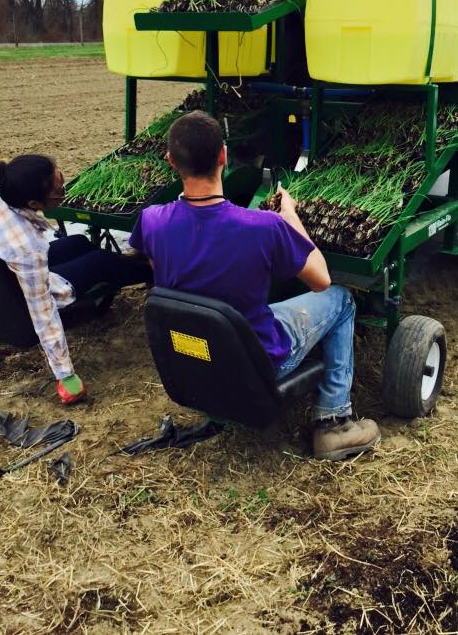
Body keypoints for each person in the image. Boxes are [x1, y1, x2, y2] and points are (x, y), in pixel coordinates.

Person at [129, 111, 380, 461]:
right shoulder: (263, 227)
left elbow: (164, 275)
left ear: (171, 161)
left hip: (192, 357)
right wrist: (290, 218)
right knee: (341, 299)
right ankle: (334, 422)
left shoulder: (150, 221)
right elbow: (321, 279)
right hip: (255, 361)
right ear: (223, 156)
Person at [0, 155, 152, 405]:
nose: (63, 191)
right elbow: (42, 311)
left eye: (59, 176)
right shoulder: (28, 249)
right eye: (58, 190)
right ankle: (153, 271)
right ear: (32, 202)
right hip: (16, 290)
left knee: (78, 242)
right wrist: (65, 375)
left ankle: (131, 265)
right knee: (100, 262)